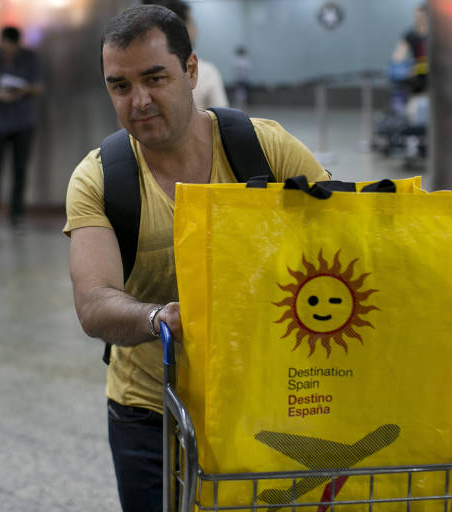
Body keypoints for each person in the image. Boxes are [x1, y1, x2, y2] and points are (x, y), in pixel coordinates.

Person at [64, 6, 329, 511]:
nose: (138, 100)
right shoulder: (99, 179)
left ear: (190, 71)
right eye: (120, 86)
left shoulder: (264, 149)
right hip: (150, 410)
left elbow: (347, 240)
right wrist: (159, 317)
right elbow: (94, 303)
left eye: (154, 78)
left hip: (268, 393)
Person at [0, 26, 42, 230]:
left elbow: (39, 88)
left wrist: (24, 89)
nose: (9, 51)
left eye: (13, 48)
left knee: (20, 170)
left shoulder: (29, 57)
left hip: (23, 122)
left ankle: (16, 215)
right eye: (6, 47)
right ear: (1, 43)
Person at [143, 0, 228, 109]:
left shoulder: (135, 69)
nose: (196, 30)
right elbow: (221, 121)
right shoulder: (207, 72)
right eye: (193, 24)